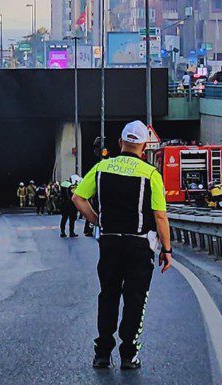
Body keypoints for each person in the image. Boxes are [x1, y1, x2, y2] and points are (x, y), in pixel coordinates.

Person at [71, 120, 172, 370]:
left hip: (109, 242)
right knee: (135, 298)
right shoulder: (151, 174)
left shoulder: (102, 167)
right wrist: (167, 250)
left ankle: (103, 353)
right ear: (145, 146)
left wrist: (97, 220)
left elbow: (77, 198)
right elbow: (160, 216)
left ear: (120, 143)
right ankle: (129, 355)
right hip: (139, 245)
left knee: (109, 295)